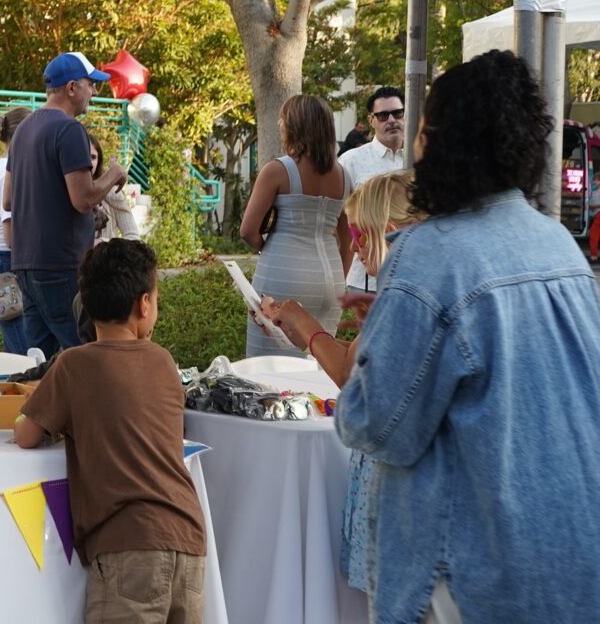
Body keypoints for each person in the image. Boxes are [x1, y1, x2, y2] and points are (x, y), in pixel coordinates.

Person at [336, 50, 600, 623]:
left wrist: (381, 344)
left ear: (437, 143)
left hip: (479, 574)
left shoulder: (429, 254)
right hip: (576, 558)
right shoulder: (558, 244)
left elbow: (375, 424)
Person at [15, 239, 206, 623]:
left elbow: (26, 435)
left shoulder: (73, 365)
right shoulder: (163, 361)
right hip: (188, 539)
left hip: (128, 546)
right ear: (144, 304)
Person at [259, 170, 424, 595]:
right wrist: (308, 334)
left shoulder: (404, 293)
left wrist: (301, 319)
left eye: (357, 235)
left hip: (394, 482)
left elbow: (351, 372)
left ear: (387, 231)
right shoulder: (416, 287)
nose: (354, 248)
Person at [3, 52, 127, 359]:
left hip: (25, 264)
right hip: (62, 265)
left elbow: (7, 200)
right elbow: (83, 199)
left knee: (38, 361)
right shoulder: (69, 129)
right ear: (72, 87)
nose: (94, 92)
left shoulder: (24, 129)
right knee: (87, 357)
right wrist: (113, 174)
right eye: (90, 84)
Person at [239, 94, 351, 357]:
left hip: (284, 275)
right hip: (331, 280)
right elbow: (348, 241)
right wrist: (338, 280)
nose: (279, 124)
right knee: (320, 360)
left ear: (295, 126)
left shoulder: (277, 170)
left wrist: (268, 248)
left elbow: (247, 231)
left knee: (269, 365)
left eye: (283, 119)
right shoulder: (344, 176)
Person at [339, 86, 406, 293]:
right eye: (383, 115)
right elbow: (337, 220)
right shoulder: (351, 161)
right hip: (364, 282)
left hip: (411, 279)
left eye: (397, 113)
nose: (391, 120)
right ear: (371, 120)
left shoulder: (421, 159)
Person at [0, 106, 31, 355]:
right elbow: (11, 236)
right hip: (6, 268)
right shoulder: (7, 173)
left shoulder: (3, 168)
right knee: (25, 355)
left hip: (2, 265)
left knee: (20, 351)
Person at [88, 133, 139, 243]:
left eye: (93, 157)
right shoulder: (63, 192)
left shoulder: (112, 193)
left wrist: (102, 242)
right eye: (83, 156)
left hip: (105, 254)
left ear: (98, 161)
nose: (88, 162)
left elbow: (133, 238)